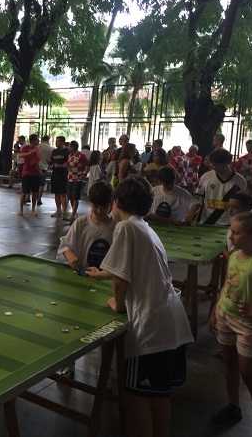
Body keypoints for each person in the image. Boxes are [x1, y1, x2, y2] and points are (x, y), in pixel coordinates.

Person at [85, 176, 193, 437]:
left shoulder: (125, 228)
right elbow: (130, 265)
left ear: (116, 202)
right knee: (158, 394)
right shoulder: (143, 227)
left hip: (151, 327)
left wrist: (118, 305)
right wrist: (100, 274)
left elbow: (122, 278)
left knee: (136, 397)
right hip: (171, 320)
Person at [208, 212, 252, 426]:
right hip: (225, 315)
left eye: (237, 233)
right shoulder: (235, 255)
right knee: (229, 363)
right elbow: (228, 283)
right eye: (232, 231)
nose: (231, 237)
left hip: (247, 324)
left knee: (248, 373)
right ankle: (233, 406)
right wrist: (214, 311)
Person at [58, 182, 115, 273]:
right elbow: (65, 246)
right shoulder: (81, 223)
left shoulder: (117, 227)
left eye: (104, 207)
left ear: (112, 203)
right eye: (95, 206)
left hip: (105, 276)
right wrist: (71, 255)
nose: (99, 211)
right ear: (90, 202)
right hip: (83, 272)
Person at [186, 149, 247, 226]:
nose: (214, 167)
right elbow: (198, 199)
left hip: (228, 224)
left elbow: (240, 206)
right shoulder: (206, 177)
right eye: (212, 164)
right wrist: (191, 214)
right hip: (205, 222)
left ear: (227, 163)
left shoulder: (240, 181)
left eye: (217, 165)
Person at [64, 140, 89, 222]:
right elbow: (70, 165)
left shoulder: (81, 155)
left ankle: (73, 214)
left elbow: (88, 165)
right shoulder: (70, 155)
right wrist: (66, 165)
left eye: (69, 146)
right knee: (70, 197)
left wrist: (84, 174)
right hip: (70, 178)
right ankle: (74, 213)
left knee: (75, 197)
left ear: (73, 147)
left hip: (77, 179)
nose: (68, 148)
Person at [18, 134, 41, 216]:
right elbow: (19, 155)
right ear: (33, 141)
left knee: (34, 192)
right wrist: (29, 153)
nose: (38, 141)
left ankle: (33, 209)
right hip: (26, 173)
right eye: (37, 140)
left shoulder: (37, 149)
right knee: (24, 191)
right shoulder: (26, 148)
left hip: (35, 173)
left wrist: (40, 171)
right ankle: (21, 209)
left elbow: (37, 162)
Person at [49, 136, 69, 219]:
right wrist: (50, 161)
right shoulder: (54, 151)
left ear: (62, 142)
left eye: (57, 141)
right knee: (56, 193)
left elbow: (68, 163)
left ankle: (64, 212)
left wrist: (60, 165)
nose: (56, 143)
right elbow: (51, 161)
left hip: (63, 175)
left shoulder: (66, 152)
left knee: (62, 194)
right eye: (56, 141)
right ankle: (58, 210)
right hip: (55, 174)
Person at [37, 135, 53, 206]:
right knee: (41, 184)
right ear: (48, 140)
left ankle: (28, 197)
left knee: (34, 183)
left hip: (36, 167)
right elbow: (49, 159)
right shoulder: (50, 148)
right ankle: (39, 199)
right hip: (44, 167)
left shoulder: (37, 146)